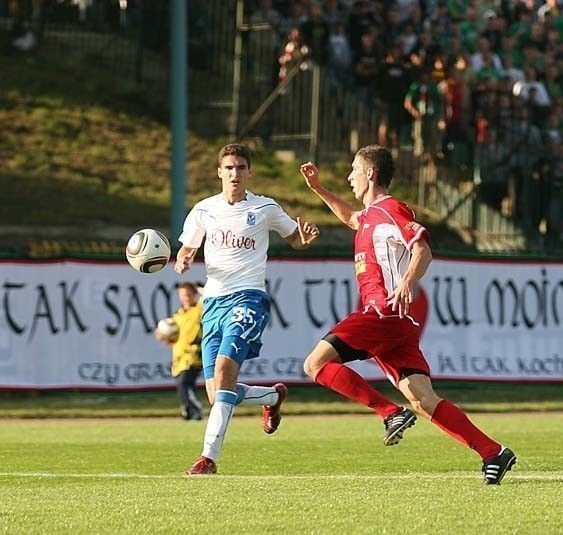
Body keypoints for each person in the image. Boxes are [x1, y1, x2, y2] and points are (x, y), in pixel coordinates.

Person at [299, 145, 517, 485]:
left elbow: (422, 248)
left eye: (354, 169)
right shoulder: (369, 216)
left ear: (370, 174)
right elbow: (349, 218)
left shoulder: (390, 209)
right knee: (423, 399)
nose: (349, 176)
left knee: (314, 364)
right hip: (397, 323)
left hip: (382, 312)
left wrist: (406, 282)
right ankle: (493, 452)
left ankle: (389, 412)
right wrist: (318, 189)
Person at [174, 143, 320, 475]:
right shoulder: (203, 210)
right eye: (229, 168)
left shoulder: (265, 207)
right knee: (217, 396)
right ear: (219, 172)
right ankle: (271, 397)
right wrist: (184, 258)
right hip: (212, 304)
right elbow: (188, 248)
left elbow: (293, 237)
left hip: (248, 298)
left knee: (225, 370)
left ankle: (207, 459)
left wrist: (304, 237)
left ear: (249, 172)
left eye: (241, 167)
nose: (235, 174)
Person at [154, 281, 205, 421]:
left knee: (184, 383)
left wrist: (199, 290)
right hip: (179, 357)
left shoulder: (199, 309)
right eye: (182, 295)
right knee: (182, 385)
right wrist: (164, 336)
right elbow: (174, 335)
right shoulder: (179, 314)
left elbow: (207, 297)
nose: (185, 298)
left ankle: (196, 410)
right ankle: (188, 412)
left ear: (194, 295)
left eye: (188, 294)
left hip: (193, 355)